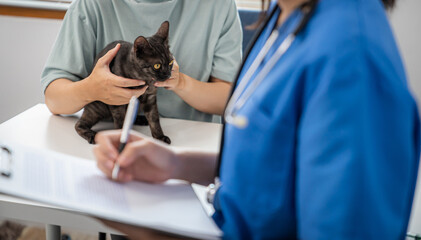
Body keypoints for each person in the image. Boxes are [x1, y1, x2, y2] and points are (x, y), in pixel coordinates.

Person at [94, 0, 421, 239]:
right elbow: (276, 162)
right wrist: (176, 164)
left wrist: (158, 236)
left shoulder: (351, 59)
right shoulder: (288, 15)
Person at [41, 0, 242, 122]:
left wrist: (181, 83)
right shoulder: (90, 5)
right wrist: (92, 89)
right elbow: (54, 99)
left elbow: (228, 100)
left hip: (189, 149)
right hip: (110, 142)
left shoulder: (219, 5)